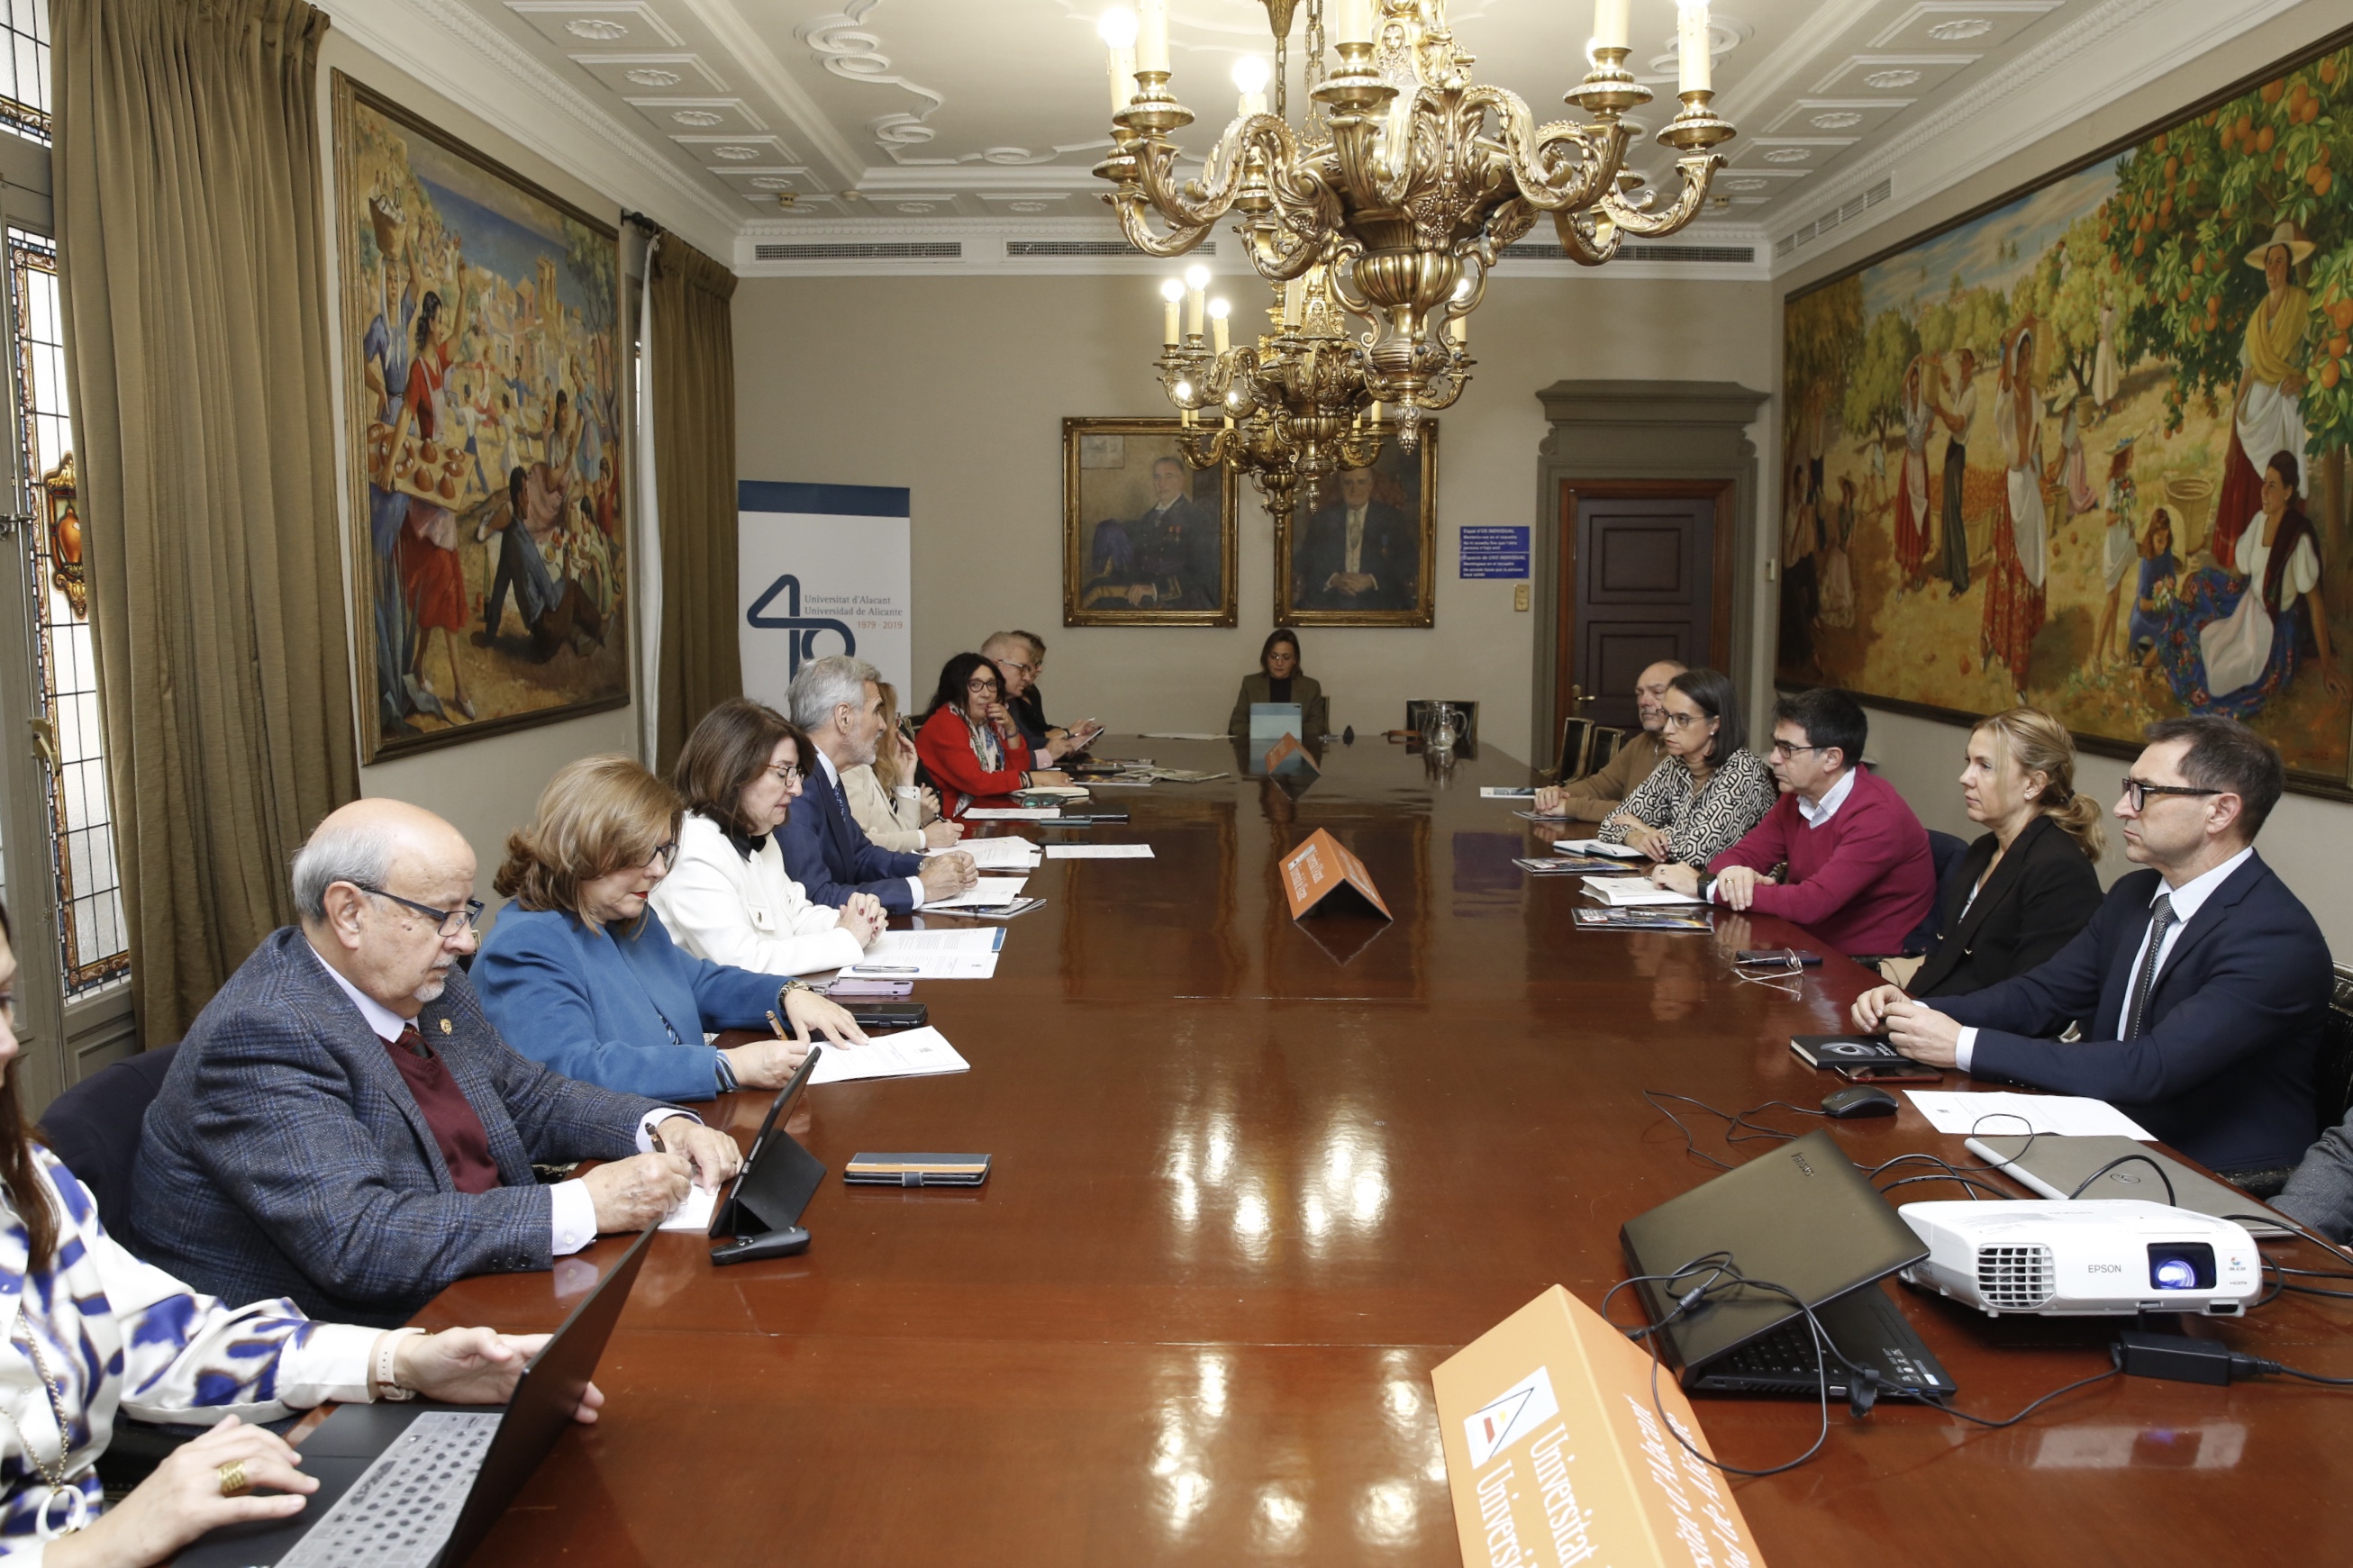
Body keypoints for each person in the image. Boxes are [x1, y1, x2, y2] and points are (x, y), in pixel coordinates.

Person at [0, 903, 603, 1563]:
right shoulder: (266, 1024)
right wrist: (113, 1539)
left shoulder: (28, 1176)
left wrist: (396, 1362)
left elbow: (175, 1340)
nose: (8, 1042)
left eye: (4, 1001)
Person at [136, 799, 745, 1325]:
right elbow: (361, 1239)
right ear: (349, 911)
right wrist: (586, 1204)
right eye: (442, 915)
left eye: (466, 911)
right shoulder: (264, 1033)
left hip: (488, 1281)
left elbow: (526, 1095)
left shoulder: (424, 982)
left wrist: (659, 1124)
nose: (467, 940)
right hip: (357, 1350)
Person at [1854, 717, 2329, 1179]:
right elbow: (2043, 996)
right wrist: (1917, 1011)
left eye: (2145, 792)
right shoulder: (2135, 894)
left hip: (2208, 1169)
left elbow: (2152, 1069)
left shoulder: (2275, 939)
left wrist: (1961, 1044)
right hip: (2102, 1130)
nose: (2123, 807)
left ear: (2220, 812)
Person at [475, 755, 870, 1103]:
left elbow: (698, 984)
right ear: (587, 847)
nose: (660, 870)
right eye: (644, 852)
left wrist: (786, 995)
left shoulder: (625, 914)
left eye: (663, 851)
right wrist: (723, 1066)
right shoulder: (525, 946)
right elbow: (574, 1071)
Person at [1653, 688, 1936, 958]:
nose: (1774, 758)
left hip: (1863, 969)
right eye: (1776, 744)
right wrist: (1736, 875)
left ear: (1831, 758)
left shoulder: (1877, 816)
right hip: (1804, 945)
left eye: (1788, 749)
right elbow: (1735, 857)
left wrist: (1705, 886)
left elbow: (1812, 903)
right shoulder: (1798, 796)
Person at [657, 699, 896, 966]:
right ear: (734, 770)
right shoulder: (694, 847)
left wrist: (856, 919)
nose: (796, 790)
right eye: (784, 773)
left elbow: (796, 916)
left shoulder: (760, 836)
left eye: (796, 774)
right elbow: (744, 962)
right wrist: (847, 938)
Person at [1892, 707, 2105, 1002]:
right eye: (1969, 762)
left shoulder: (2058, 869)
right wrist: (1898, 1002)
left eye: (1985, 766)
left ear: (2033, 784)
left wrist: (1921, 1016)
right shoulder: (1983, 848)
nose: (1965, 778)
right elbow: (1945, 961)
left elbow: (2029, 999)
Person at [2153, 451, 2350, 717]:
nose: (2264, 492)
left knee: (2223, 676)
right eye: (2264, 483)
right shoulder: (2260, 521)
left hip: (2272, 628)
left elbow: (2314, 602)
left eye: (2273, 486)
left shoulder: (2297, 539)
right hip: (2248, 605)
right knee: (2199, 587)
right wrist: (2217, 593)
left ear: (2289, 492)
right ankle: (2159, 651)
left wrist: (2327, 666)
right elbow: (2238, 571)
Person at [782, 656, 979, 912]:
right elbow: (814, 896)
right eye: (876, 710)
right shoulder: (796, 786)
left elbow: (860, 854)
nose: (883, 725)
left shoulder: (824, 772)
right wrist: (922, 888)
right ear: (843, 717)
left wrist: (924, 865)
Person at [1593, 668, 1776, 870]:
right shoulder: (1674, 764)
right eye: (1667, 716)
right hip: (1682, 884)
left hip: (1739, 892)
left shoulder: (1743, 771)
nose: (1668, 729)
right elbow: (1611, 822)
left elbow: (1698, 851)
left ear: (1714, 724)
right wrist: (1635, 837)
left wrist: (1647, 828)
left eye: (1682, 719)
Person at [2211, 222, 2313, 567]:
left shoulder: (2302, 306)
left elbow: (2325, 351)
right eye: (2269, 262)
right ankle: (2248, 571)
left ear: (2289, 267)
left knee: (2281, 488)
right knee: (2248, 496)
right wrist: (2231, 439)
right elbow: (2245, 378)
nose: (2273, 269)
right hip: (2254, 420)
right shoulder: (2256, 320)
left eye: (2280, 261)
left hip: (2282, 415)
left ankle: (2278, 571)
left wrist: (2304, 378)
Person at [1981, 322, 2049, 692]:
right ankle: (2009, 660)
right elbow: (2005, 363)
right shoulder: (2007, 393)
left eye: (2028, 355)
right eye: (2020, 354)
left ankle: (2020, 655)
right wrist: (2022, 325)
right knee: (2010, 570)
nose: (2024, 360)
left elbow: (2036, 444)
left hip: (2030, 490)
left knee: (2030, 568)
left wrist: (2045, 475)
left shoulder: (2035, 398)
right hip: (2012, 490)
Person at [917, 653, 1067, 819]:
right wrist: (1036, 778)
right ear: (955, 688)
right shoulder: (945, 724)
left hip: (985, 809)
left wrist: (1011, 728)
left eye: (991, 684)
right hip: (951, 819)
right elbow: (977, 783)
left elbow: (1016, 770)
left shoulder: (986, 723)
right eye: (975, 685)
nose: (986, 693)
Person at [1531, 659, 1682, 820]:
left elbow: (1648, 812)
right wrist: (1558, 794)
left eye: (1657, 692)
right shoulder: (1640, 743)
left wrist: (1570, 806)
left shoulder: (1690, 749)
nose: (1644, 701)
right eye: (1639, 694)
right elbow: (1599, 787)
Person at [839, 683, 965, 857]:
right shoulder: (850, 769)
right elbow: (861, 845)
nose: (889, 727)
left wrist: (906, 779)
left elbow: (903, 836)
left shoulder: (883, 767)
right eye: (894, 720)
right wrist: (924, 837)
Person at [1083, 456, 1223, 611]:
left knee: (1098, 601)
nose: (1161, 484)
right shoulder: (1151, 516)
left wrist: (1154, 589)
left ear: (1182, 480)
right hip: (1144, 586)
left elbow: (1200, 572)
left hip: (1178, 599)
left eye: (1169, 476)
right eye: (1157, 477)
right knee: (1094, 589)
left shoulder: (1197, 518)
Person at [1295, 467, 1416, 612]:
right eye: (1348, 483)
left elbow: (1409, 559)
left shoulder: (1391, 518)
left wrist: (1372, 580)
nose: (1354, 489)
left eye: (1361, 482)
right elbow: (1305, 559)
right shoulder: (1323, 519)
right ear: (1341, 486)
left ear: (1370, 486)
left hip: (1379, 598)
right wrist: (1334, 579)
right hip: (1331, 598)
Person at [983, 631, 1100, 758]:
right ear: (996, 666)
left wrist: (1070, 744)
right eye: (1022, 668)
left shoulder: (1008, 702)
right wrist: (1065, 736)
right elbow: (1008, 760)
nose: (1027, 677)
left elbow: (1027, 742)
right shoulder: (976, 705)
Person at [2088, 437, 2140, 672]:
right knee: (2110, 604)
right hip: (2114, 547)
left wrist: (2129, 523)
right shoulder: (2113, 485)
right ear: (2123, 457)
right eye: (2130, 454)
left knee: (2117, 601)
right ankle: (2097, 656)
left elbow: (2124, 513)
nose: (2133, 457)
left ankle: (2110, 651)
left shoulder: (2127, 481)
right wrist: (2122, 512)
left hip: (2123, 543)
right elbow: (2109, 519)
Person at [1227, 628, 1330, 739]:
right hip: (1258, 750)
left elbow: (1318, 727)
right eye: (1274, 656)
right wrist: (1261, 731)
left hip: (1298, 751)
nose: (1279, 663)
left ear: (1295, 659)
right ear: (1266, 657)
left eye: (1286, 658)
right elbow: (1236, 725)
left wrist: (1288, 730)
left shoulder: (1311, 687)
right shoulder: (1250, 684)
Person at [1937, 348, 1977, 596]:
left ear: (1972, 363)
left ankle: (1961, 581)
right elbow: (1946, 384)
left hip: (1958, 452)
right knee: (1947, 510)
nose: (1961, 366)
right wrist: (1936, 366)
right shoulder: (1961, 386)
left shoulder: (1971, 393)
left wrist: (1940, 411)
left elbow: (1958, 423)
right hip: (1951, 449)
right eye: (1960, 362)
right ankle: (1949, 569)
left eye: (1965, 362)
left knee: (1955, 514)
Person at [1894, 354, 1932, 591]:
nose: (1916, 389)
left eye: (1919, 384)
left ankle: (1916, 569)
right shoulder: (1908, 407)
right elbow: (1902, 384)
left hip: (1921, 464)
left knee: (1920, 517)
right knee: (1908, 515)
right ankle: (1903, 571)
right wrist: (1915, 361)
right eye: (1914, 385)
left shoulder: (1927, 410)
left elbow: (1928, 431)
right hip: (1909, 464)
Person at [2128, 508, 2180, 664]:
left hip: (2163, 604)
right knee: (2144, 638)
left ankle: (2164, 655)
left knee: (2178, 616)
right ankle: (2145, 657)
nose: (2163, 545)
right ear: (2151, 536)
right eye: (2159, 540)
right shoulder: (2147, 564)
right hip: (2149, 612)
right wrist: (2158, 602)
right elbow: (2143, 603)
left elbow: (2172, 577)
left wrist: (2169, 584)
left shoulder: (2166, 552)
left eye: (2166, 539)